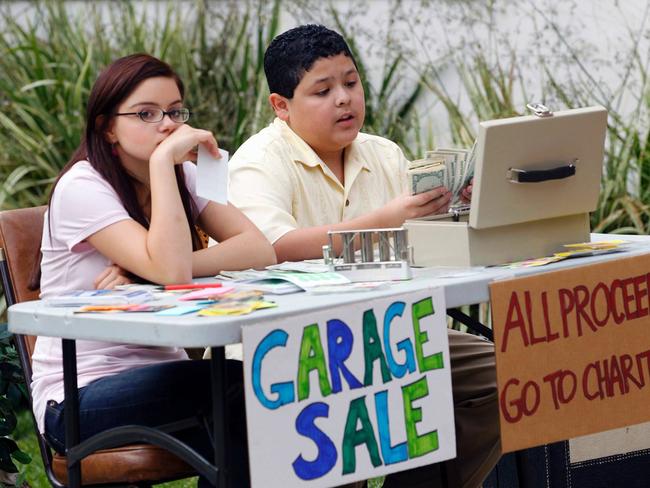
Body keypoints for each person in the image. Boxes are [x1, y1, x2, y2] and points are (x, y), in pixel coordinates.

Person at [228, 25, 500, 488]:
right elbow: (273, 248)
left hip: (390, 331)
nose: (343, 99)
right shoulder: (258, 161)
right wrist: (391, 214)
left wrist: (455, 206)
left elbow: (419, 243)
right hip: (291, 347)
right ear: (281, 106)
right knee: (340, 420)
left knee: (509, 374)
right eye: (323, 90)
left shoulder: (384, 153)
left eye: (351, 83)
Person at [30, 53, 276, 487]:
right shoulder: (82, 187)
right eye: (146, 114)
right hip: (80, 394)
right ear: (108, 126)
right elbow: (172, 268)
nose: (167, 125)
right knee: (236, 387)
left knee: (265, 393)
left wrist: (148, 273)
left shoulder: (187, 177)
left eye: (175, 112)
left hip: (163, 375)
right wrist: (163, 164)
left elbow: (259, 249)